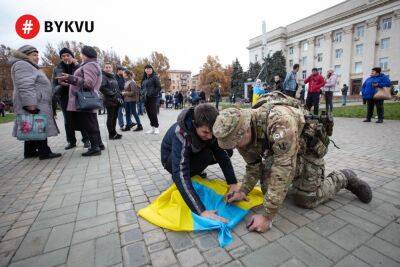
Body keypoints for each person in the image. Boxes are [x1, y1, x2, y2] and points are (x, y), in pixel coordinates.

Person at [213, 91, 372, 232]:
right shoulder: (241, 136)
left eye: (235, 143)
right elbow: (253, 165)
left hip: (308, 150)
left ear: (245, 130)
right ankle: (295, 182)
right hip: (283, 153)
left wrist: (268, 216)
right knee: (268, 187)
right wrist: (243, 191)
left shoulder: (280, 121)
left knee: (306, 199)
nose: (235, 148)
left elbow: (283, 167)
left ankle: (344, 177)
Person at [161, 103, 239, 222]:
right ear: (194, 123)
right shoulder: (181, 133)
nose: (210, 136)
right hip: (171, 161)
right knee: (183, 174)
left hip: (190, 153)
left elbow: (221, 154)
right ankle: (191, 173)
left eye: (212, 132)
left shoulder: (210, 131)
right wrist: (201, 211)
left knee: (226, 151)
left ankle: (194, 171)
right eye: (205, 132)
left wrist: (233, 183)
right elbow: (180, 172)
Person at [10, 45, 61, 160]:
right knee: (38, 125)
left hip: (36, 101)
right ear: (25, 55)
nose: (37, 57)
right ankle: (44, 152)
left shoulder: (28, 66)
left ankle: (30, 152)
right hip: (34, 102)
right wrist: (31, 105)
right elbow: (25, 85)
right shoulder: (22, 65)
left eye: (38, 55)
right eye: (34, 55)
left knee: (31, 125)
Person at [58, 45, 104, 156]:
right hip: (87, 99)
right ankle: (98, 144)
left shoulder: (89, 65)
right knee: (92, 122)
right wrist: (70, 77)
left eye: (81, 53)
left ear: (85, 54)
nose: (80, 55)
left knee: (89, 123)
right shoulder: (91, 64)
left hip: (85, 99)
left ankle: (94, 148)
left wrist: (70, 78)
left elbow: (89, 83)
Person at [52, 47, 90, 150]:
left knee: (81, 118)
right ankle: (71, 141)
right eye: (63, 56)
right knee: (68, 120)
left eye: (68, 55)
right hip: (64, 97)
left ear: (72, 56)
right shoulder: (57, 68)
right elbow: (54, 83)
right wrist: (58, 88)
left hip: (77, 96)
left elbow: (83, 79)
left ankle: (86, 140)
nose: (65, 57)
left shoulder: (79, 66)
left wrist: (76, 65)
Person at [99, 62, 123, 140]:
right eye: (106, 67)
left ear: (112, 69)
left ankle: (114, 132)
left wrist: (120, 97)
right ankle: (111, 134)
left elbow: (117, 89)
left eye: (109, 67)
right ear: (104, 68)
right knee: (110, 117)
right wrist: (113, 95)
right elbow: (102, 88)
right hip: (109, 100)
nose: (108, 68)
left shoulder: (113, 77)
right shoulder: (103, 77)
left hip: (116, 100)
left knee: (114, 117)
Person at [141, 65, 161, 134]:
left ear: (152, 70)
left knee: (153, 113)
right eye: (147, 69)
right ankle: (152, 128)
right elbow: (142, 88)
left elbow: (158, 87)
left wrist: (153, 94)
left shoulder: (155, 77)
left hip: (153, 98)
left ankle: (156, 127)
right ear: (145, 70)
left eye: (150, 69)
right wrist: (142, 94)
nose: (148, 70)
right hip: (145, 98)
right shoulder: (144, 78)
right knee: (149, 113)